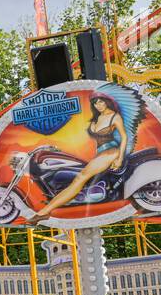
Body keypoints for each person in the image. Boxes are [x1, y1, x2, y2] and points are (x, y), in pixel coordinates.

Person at [27, 94, 131, 225]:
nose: (98, 105)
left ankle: (43, 213)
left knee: (80, 178)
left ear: (107, 102)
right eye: (95, 103)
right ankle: (46, 211)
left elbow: (124, 137)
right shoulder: (96, 119)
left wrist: (120, 158)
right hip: (100, 153)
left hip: (111, 151)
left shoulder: (115, 116)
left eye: (101, 102)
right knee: (80, 178)